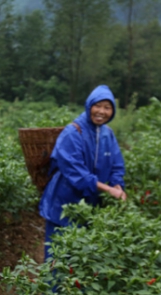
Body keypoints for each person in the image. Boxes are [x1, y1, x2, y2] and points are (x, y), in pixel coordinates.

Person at [39, 85, 126, 261]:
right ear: (89, 106)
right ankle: (51, 289)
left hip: (90, 206)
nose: (101, 111)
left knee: (82, 262)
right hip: (64, 205)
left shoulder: (107, 134)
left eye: (107, 107)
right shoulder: (73, 132)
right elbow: (77, 174)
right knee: (57, 259)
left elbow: (117, 164)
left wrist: (117, 184)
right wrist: (109, 190)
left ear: (113, 111)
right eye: (98, 106)